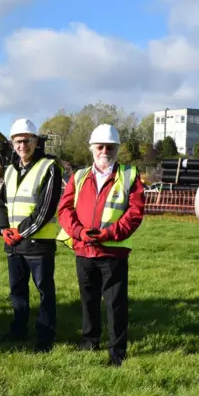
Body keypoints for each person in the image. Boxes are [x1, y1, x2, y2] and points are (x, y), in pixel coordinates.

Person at [57, 124, 144, 366]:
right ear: (92, 148)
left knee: (115, 303)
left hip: (112, 251)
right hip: (84, 249)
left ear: (117, 149)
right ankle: (89, 341)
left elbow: (135, 212)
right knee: (88, 300)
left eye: (110, 147)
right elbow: (64, 210)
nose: (104, 150)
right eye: (100, 146)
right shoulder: (79, 176)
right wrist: (79, 232)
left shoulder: (129, 175)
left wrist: (108, 234)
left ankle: (117, 352)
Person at [0, 118, 63, 353]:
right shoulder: (10, 170)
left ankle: (45, 336)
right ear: (12, 143)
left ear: (36, 141)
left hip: (38, 244)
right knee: (17, 291)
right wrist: (3, 229)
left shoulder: (50, 168)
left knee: (44, 291)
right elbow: (2, 204)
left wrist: (20, 232)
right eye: (17, 141)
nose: (22, 145)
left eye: (26, 140)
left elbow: (45, 209)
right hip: (14, 245)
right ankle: (18, 329)